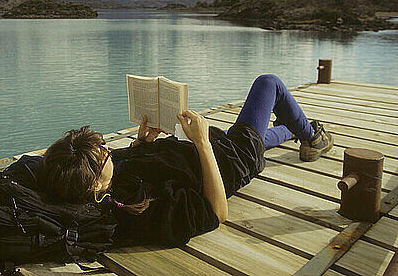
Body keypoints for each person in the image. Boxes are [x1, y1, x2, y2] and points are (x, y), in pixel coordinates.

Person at [38, 74, 334, 246]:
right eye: (103, 154)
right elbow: (217, 213)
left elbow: (134, 167)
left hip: (214, 145)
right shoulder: (143, 209)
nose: (108, 150)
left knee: (258, 134)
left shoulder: (106, 183)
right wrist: (203, 143)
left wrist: (141, 144)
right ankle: (312, 137)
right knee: (268, 84)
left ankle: (299, 130)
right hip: (232, 159)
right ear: (95, 185)